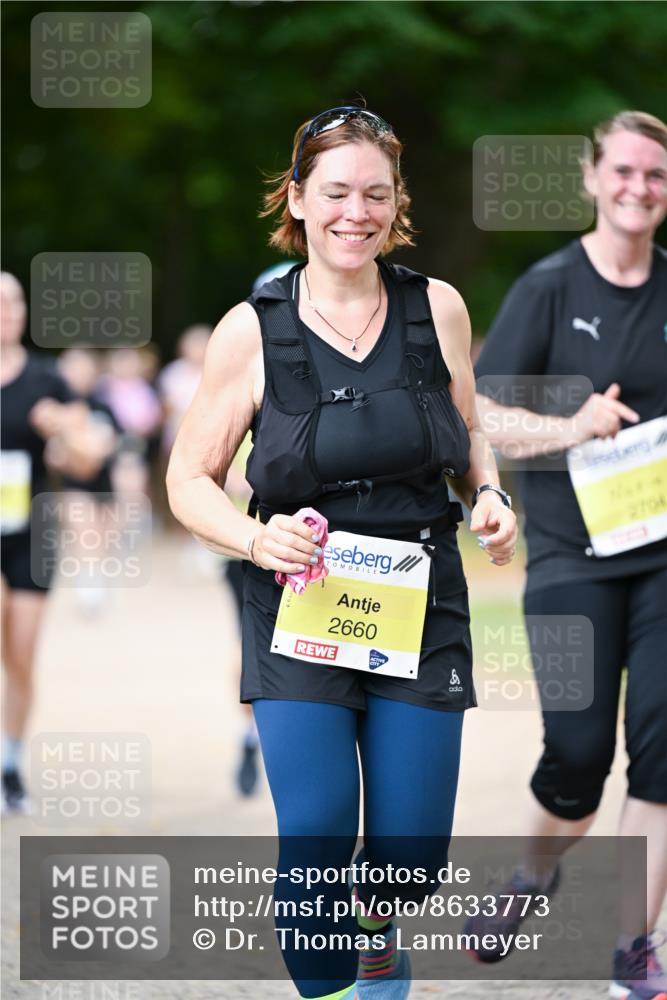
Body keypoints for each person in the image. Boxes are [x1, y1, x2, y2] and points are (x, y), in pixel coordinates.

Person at [167, 106, 517, 1000]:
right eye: (333, 192)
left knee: (409, 858)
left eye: (374, 193)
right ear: (296, 198)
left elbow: (468, 427)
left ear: (396, 203)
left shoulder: (435, 306)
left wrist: (486, 493)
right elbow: (188, 479)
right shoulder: (251, 328)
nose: (353, 212)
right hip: (298, 602)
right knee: (317, 839)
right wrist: (255, 536)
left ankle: (377, 934)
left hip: (420, 596)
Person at [470, 111, 667, 1000]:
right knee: (577, 758)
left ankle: (633, 946)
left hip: (664, 557)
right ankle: (531, 873)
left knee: (662, 756)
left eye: (654, 176)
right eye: (622, 171)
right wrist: (573, 424)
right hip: (568, 558)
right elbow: (483, 416)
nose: (638, 187)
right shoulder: (548, 287)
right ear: (591, 179)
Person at [1, 274, 106, 812]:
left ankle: (10, 762)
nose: (8, 311)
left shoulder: (48, 379)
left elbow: (90, 459)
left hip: (31, 534)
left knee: (19, 655)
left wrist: (63, 427)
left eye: (15, 302)